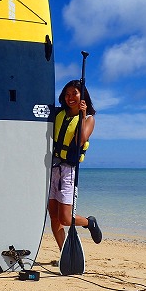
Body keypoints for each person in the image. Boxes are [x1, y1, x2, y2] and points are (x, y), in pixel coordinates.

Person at [48, 79, 102, 250]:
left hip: (69, 170)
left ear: (83, 97)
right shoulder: (58, 114)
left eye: (75, 94)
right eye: (67, 94)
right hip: (52, 168)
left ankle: (89, 222)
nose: (70, 97)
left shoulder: (89, 119)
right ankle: (63, 251)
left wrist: (82, 116)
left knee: (65, 218)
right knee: (54, 216)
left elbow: (80, 140)